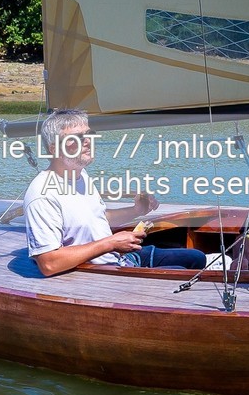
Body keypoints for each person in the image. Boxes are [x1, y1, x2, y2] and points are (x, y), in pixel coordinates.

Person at [23, 108, 206, 276]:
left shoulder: (80, 175)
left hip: (118, 257)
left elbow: (97, 219)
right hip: (100, 271)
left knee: (197, 258)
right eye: (77, 138)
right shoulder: (42, 195)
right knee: (181, 274)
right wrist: (110, 243)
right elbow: (48, 263)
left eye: (89, 135)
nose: (88, 142)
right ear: (54, 148)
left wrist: (137, 211)